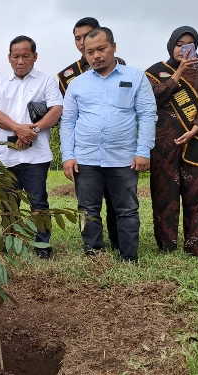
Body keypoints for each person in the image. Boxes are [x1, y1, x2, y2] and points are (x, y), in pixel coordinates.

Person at [60, 27, 157, 262]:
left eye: (101, 49)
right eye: (89, 52)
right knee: (87, 210)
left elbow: (147, 114)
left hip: (123, 158)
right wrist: (67, 155)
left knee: (126, 209)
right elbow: (67, 121)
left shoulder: (134, 77)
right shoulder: (77, 84)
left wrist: (143, 151)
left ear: (114, 47)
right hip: (86, 158)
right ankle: (93, 253)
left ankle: (128, 257)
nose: (96, 56)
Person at [145, 26, 198, 256]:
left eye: (189, 44)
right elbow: (152, 100)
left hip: (196, 142)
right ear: (171, 44)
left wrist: (194, 129)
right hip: (164, 145)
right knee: (165, 195)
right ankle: (167, 247)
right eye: (180, 43)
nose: (184, 48)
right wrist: (178, 73)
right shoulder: (153, 72)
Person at [0, 35, 63, 259]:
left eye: (25, 56)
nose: (20, 61)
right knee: (7, 201)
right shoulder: (1, 85)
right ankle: (10, 242)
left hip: (36, 156)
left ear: (34, 57)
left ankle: (41, 245)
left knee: (38, 200)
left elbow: (56, 110)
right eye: (16, 57)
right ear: (9, 59)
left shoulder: (46, 81)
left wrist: (34, 131)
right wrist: (20, 129)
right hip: (7, 155)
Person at [57, 17, 126, 250]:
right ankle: (93, 247)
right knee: (88, 204)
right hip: (85, 151)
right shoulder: (67, 76)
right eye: (78, 38)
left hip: (116, 151)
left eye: (87, 36)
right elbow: (65, 116)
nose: (82, 42)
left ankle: (119, 242)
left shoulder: (121, 68)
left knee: (118, 203)